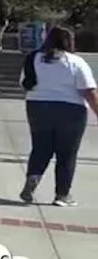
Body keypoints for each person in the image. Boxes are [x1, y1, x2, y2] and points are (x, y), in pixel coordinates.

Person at [19, 26, 95, 207]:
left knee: (40, 147)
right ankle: (62, 194)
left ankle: (33, 178)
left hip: (37, 106)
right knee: (67, 153)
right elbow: (89, 91)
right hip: (70, 109)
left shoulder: (33, 59)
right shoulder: (76, 62)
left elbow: (24, 84)